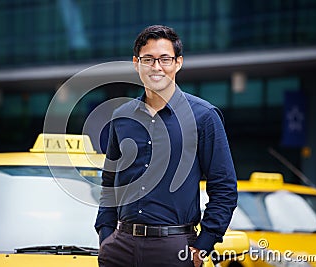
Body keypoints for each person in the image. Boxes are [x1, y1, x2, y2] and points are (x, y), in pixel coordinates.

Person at [95, 25, 237, 267]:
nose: (156, 67)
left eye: (165, 59)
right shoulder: (121, 117)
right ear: (136, 63)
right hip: (120, 249)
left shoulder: (204, 117)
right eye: (148, 59)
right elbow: (109, 181)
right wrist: (106, 235)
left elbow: (224, 187)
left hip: (175, 249)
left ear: (178, 63)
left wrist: (203, 245)